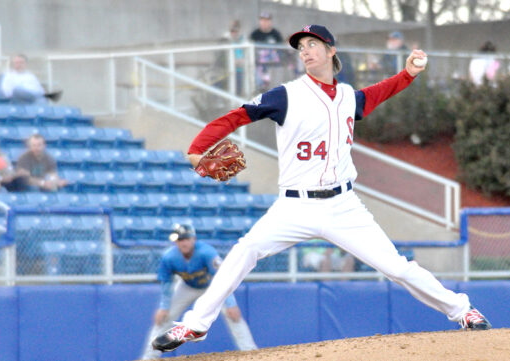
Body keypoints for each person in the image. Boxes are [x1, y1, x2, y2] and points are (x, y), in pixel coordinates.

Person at [151, 24, 491, 353]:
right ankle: (196, 324)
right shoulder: (285, 95)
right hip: (294, 207)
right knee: (245, 250)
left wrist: (407, 75)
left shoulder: (347, 97)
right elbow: (234, 117)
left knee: (397, 267)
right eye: (301, 47)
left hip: (343, 205)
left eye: (312, 44)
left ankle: (463, 311)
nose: (305, 51)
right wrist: (198, 149)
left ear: (331, 50)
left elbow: (376, 94)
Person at [141, 224, 257, 359]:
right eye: (179, 240)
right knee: (164, 317)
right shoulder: (169, 257)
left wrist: (230, 303)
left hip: (212, 286)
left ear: (193, 239)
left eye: (186, 238)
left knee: (233, 316)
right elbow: (166, 283)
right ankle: (149, 357)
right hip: (187, 286)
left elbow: (223, 277)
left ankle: (250, 352)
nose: (183, 242)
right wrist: (164, 307)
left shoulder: (206, 252)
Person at [249, 11, 284, 91]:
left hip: (273, 66)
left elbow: (281, 50)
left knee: (274, 88)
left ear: (270, 22)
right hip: (259, 66)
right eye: (262, 20)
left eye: (267, 20)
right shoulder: (255, 34)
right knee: (259, 89)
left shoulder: (276, 34)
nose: (264, 22)